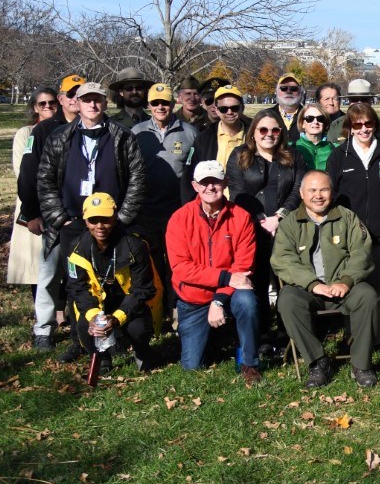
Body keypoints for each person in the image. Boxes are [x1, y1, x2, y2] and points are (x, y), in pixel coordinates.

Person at [38, 82, 147, 355]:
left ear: (105, 102)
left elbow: (137, 178)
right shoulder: (60, 136)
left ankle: (116, 337)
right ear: (77, 102)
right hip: (74, 222)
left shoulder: (122, 136)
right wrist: (59, 217)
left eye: (97, 100)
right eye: (86, 100)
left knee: (112, 281)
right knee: (77, 286)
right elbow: (45, 179)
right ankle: (81, 340)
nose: (92, 105)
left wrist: (122, 218)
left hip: (111, 223)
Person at [272, 171, 380, 388]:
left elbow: (362, 252)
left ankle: (361, 364)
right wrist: (313, 284)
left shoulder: (347, 217)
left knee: (368, 296)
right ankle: (318, 362)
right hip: (307, 290)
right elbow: (283, 260)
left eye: (323, 189)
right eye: (312, 190)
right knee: (287, 299)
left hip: (344, 288)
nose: (318, 195)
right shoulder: (290, 223)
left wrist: (346, 280)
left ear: (332, 192)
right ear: (302, 194)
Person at [166, 160, 261, 383]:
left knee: (247, 300)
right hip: (193, 298)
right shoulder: (179, 219)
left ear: (225, 183)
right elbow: (181, 269)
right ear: (195, 186)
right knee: (192, 368)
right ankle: (217, 338)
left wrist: (218, 301)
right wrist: (226, 277)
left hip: (228, 294)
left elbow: (243, 268)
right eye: (204, 183)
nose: (210, 187)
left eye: (216, 182)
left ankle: (250, 363)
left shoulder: (241, 217)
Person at [227, 112, 307, 343]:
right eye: (263, 130)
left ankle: (286, 330)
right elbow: (238, 191)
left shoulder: (293, 156)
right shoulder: (240, 155)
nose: (269, 135)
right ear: (253, 132)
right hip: (250, 226)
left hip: (286, 225)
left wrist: (279, 217)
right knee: (258, 279)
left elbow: (298, 189)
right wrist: (261, 218)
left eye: (274, 130)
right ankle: (261, 332)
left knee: (287, 278)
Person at [63, 192, 159, 375]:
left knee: (138, 328)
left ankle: (142, 351)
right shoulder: (76, 248)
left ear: (115, 217)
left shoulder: (135, 246)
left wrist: (116, 318)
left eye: (105, 219)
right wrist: (92, 316)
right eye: (93, 220)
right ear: (85, 221)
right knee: (85, 326)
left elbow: (143, 289)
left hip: (128, 301)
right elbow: (77, 288)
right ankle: (102, 357)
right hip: (96, 303)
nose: (100, 226)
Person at [18, 74, 83, 344]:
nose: (76, 100)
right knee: (48, 275)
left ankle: (84, 326)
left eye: (81, 94)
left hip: (84, 216)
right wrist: (32, 213)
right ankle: (43, 329)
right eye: (71, 95)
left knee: (82, 274)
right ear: (61, 99)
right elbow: (28, 175)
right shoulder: (43, 131)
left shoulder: (95, 126)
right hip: (53, 216)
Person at [327, 102, 380, 335]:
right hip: (351, 234)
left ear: (375, 125)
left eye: (368, 123)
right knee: (355, 284)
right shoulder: (339, 156)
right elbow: (333, 197)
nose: (363, 129)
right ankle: (355, 333)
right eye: (357, 124)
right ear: (350, 127)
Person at [131, 82, 197, 330]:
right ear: (149, 105)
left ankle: (177, 308)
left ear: (173, 104)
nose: (161, 107)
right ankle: (155, 313)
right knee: (152, 264)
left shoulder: (189, 133)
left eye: (165, 103)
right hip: (146, 210)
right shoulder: (137, 133)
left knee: (177, 263)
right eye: (155, 103)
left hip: (177, 211)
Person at [8, 87, 58, 288]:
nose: (48, 107)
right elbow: (23, 172)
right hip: (33, 201)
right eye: (42, 104)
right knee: (35, 261)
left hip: (58, 203)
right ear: (35, 108)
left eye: (52, 102)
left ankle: (60, 311)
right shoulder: (26, 133)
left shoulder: (65, 129)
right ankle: (42, 312)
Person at [191, 84, 251, 172]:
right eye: (224, 109)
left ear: (242, 108)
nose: (229, 112)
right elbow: (190, 172)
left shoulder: (254, 136)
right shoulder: (203, 139)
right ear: (216, 110)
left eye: (235, 108)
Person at [256, 73, 305, 144]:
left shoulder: (310, 117)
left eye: (293, 89)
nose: (288, 91)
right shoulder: (265, 116)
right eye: (283, 88)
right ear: (276, 92)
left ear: (301, 92)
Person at [294, 101, 335, 172]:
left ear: (324, 123)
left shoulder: (335, 149)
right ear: (302, 123)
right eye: (309, 118)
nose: (315, 122)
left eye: (320, 118)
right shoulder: (293, 149)